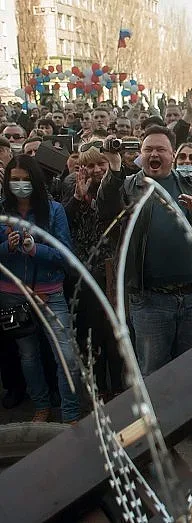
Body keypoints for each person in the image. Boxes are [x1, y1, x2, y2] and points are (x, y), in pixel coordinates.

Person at [96, 126, 192, 378]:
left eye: (161, 149)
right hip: (150, 300)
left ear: (172, 155)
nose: (154, 154)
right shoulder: (129, 186)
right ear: (141, 155)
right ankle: (159, 419)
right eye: (148, 150)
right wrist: (113, 169)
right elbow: (105, 209)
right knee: (153, 372)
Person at [0, 155, 80, 423]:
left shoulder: (53, 210)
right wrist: (7, 247)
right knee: (28, 355)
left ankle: (70, 413)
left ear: (35, 180)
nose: (20, 185)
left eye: (25, 180)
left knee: (66, 356)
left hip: (49, 293)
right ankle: (41, 406)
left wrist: (36, 249)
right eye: (15, 180)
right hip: (12, 295)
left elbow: (65, 254)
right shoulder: (2, 210)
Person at [64, 142, 123, 398]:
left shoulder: (117, 189)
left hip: (112, 274)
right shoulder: (73, 191)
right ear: (82, 168)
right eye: (91, 165)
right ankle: (97, 390)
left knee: (115, 337)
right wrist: (77, 197)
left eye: (102, 163)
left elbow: (110, 206)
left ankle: (119, 389)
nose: (97, 169)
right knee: (92, 336)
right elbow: (65, 222)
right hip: (86, 278)